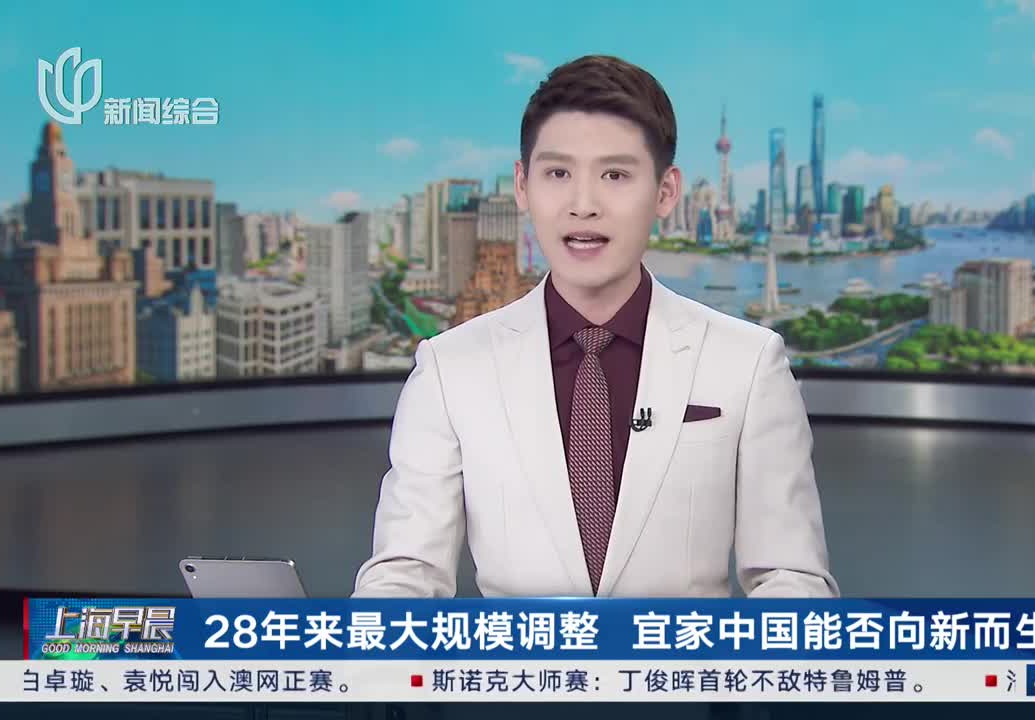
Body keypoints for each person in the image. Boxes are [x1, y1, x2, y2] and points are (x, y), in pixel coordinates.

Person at [353, 54, 837, 599]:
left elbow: (792, 578)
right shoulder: (449, 369)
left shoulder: (748, 363)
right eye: (558, 174)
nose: (583, 206)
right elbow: (405, 573)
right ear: (522, 185)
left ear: (665, 192)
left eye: (615, 175)